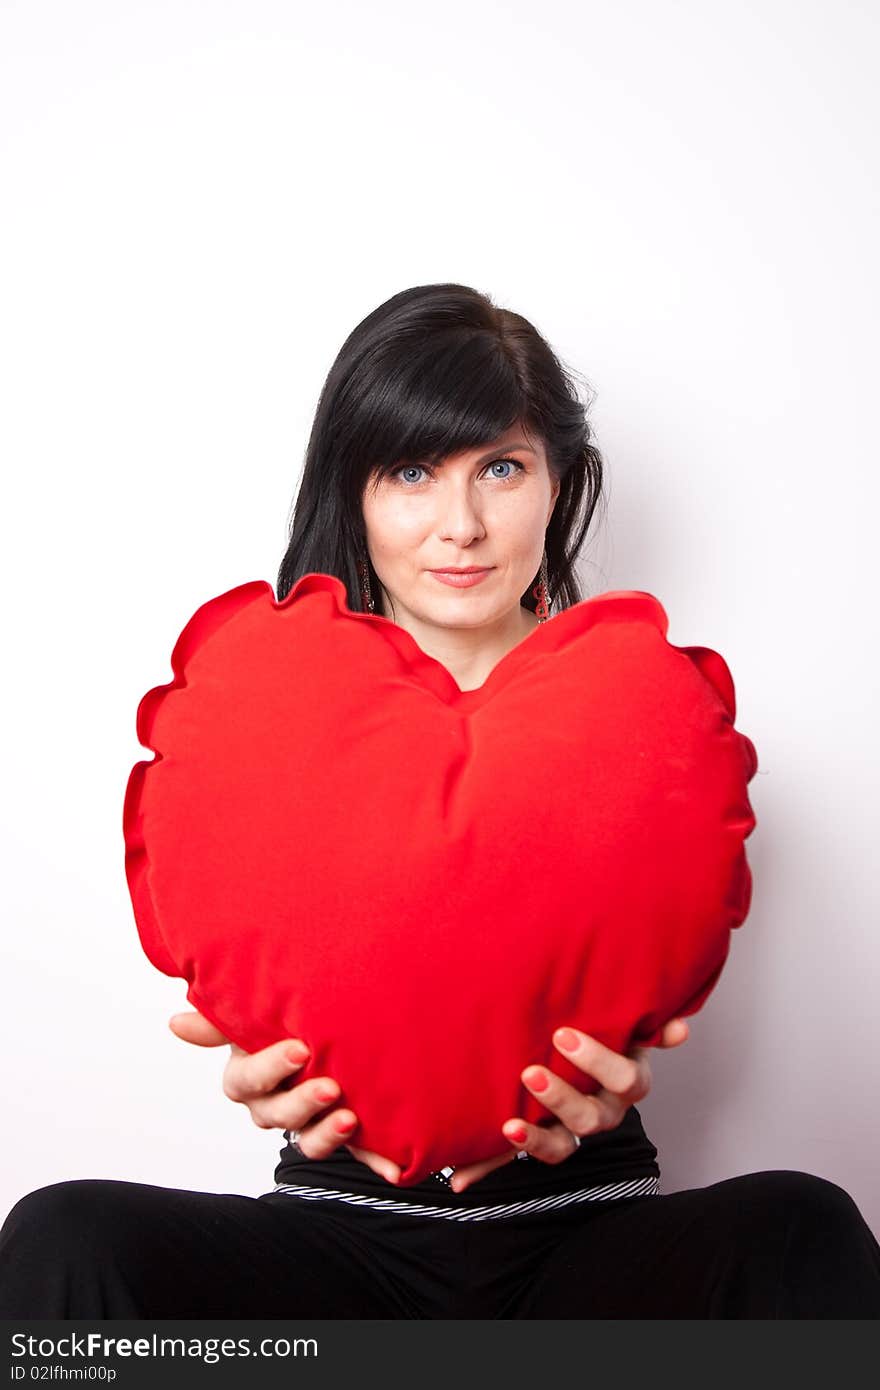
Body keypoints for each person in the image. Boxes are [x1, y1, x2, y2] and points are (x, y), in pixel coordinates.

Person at [1, 283, 878, 1319]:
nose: (459, 525)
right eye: (411, 471)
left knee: (799, 1226)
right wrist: (257, 1054)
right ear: (355, 490)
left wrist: (619, 1056)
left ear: (559, 483)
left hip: (590, 1250)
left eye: (499, 468)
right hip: (338, 1254)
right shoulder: (263, 720)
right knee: (62, 1237)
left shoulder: (646, 729)